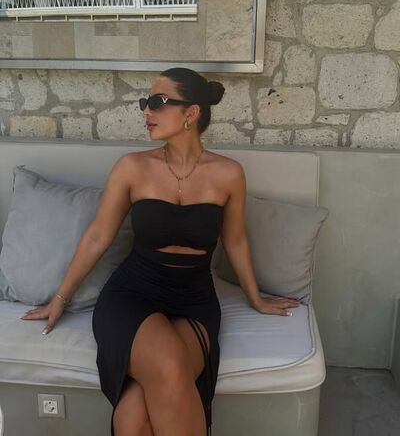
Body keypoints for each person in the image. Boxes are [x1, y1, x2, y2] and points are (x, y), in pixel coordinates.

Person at [21, 67, 300, 436]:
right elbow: (98, 236)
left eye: (158, 102)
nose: (146, 111)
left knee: (137, 416)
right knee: (169, 368)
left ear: (191, 113)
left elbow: (235, 240)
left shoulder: (229, 174)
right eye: (146, 102)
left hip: (194, 300)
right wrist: (60, 298)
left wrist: (256, 298)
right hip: (132, 295)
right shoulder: (132, 168)